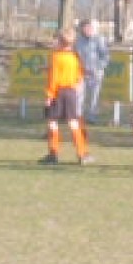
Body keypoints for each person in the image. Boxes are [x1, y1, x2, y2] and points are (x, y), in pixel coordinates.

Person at [40, 27, 92, 166]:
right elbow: (79, 74)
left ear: (61, 42)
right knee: (73, 122)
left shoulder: (56, 56)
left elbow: (54, 78)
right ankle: (82, 154)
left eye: (56, 40)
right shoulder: (74, 56)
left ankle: (53, 154)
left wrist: (49, 95)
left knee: (52, 121)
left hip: (58, 91)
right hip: (71, 92)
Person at [75, 19, 109, 124]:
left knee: (94, 96)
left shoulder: (99, 39)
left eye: (89, 28)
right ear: (81, 29)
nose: (88, 30)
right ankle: (78, 117)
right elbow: (74, 55)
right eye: (85, 28)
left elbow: (105, 56)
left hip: (95, 73)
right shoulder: (77, 40)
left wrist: (98, 68)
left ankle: (92, 117)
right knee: (79, 95)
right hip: (80, 72)